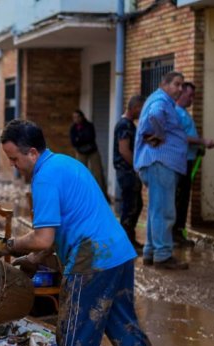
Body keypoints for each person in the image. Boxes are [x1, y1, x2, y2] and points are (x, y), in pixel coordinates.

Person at [0, 119, 183, 346]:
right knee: (126, 331)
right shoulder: (66, 164)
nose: (14, 167)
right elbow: (63, 229)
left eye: (14, 159)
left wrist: (9, 245)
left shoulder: (44, 179)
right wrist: (35, 258)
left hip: (90, 261)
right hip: (117, 254)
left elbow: (43, 237)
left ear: (33, 153)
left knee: (74, 337)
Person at [134, 71, 189, 270]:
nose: (180, 89)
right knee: (165, 211)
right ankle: (163, 255)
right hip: (161, 163)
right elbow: (155, 115)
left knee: (156, 210)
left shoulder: (160, 99)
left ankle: (151, 251)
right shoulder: (161, 101)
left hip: (157, 163)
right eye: (177, 84)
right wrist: (159, 133)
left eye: (182, 85)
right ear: (164, 84)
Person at [174, 82, 214, 246]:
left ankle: (178, 233)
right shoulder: (176, 113)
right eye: (189, 95)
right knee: (180, 199)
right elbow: (181, 137)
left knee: (184, 198)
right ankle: (175, 235)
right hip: (181, 162)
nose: (192, 100)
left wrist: (198, 147)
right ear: (181, 94)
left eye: (193, 96)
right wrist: (202, 141)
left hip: (188, 159)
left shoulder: (184, 113)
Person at [113, 96, 145, 250]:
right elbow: (124, 150)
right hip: (127, 172)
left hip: (128, 171)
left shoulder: (128, 125)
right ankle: (125, 244)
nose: (142, 112)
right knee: (131, 206)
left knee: (136, 205)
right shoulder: (125, 125)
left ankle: (129, 241)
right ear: (134, 107)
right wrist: (137, 166)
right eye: (141, 108)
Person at [69, 110, 107, 197]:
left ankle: (101, 194)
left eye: (78, 117)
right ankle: (82, 194)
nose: (76, 119)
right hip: (80, 151)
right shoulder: (73, 128)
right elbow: (73, 142)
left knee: (98, 172)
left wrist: (79, 139)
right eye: (74, 117)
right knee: (80, 172)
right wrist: (80, 139)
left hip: (92, 151)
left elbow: (90, 137)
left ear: (82, 117)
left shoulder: (88, 125)